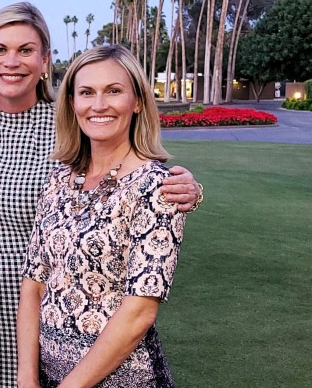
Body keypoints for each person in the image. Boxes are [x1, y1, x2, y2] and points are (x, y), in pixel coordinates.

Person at [0, 2, 202, 387]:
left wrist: (189, 190)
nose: (11, 61)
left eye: (26, 50)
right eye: (0, 49)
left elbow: (128, 174)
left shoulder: (69, 123)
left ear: (45, 60)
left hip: (71, 336)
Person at [17, 45, 186, 388]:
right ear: (72, 104)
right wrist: (26, 377)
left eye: (113, 91)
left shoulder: (156, 187)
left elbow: (139, 310)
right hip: (50, 377)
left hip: (123, 380)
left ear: (137, 101)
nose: (98, 105)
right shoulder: (59, 181)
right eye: (86, 92)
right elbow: (33, 282)